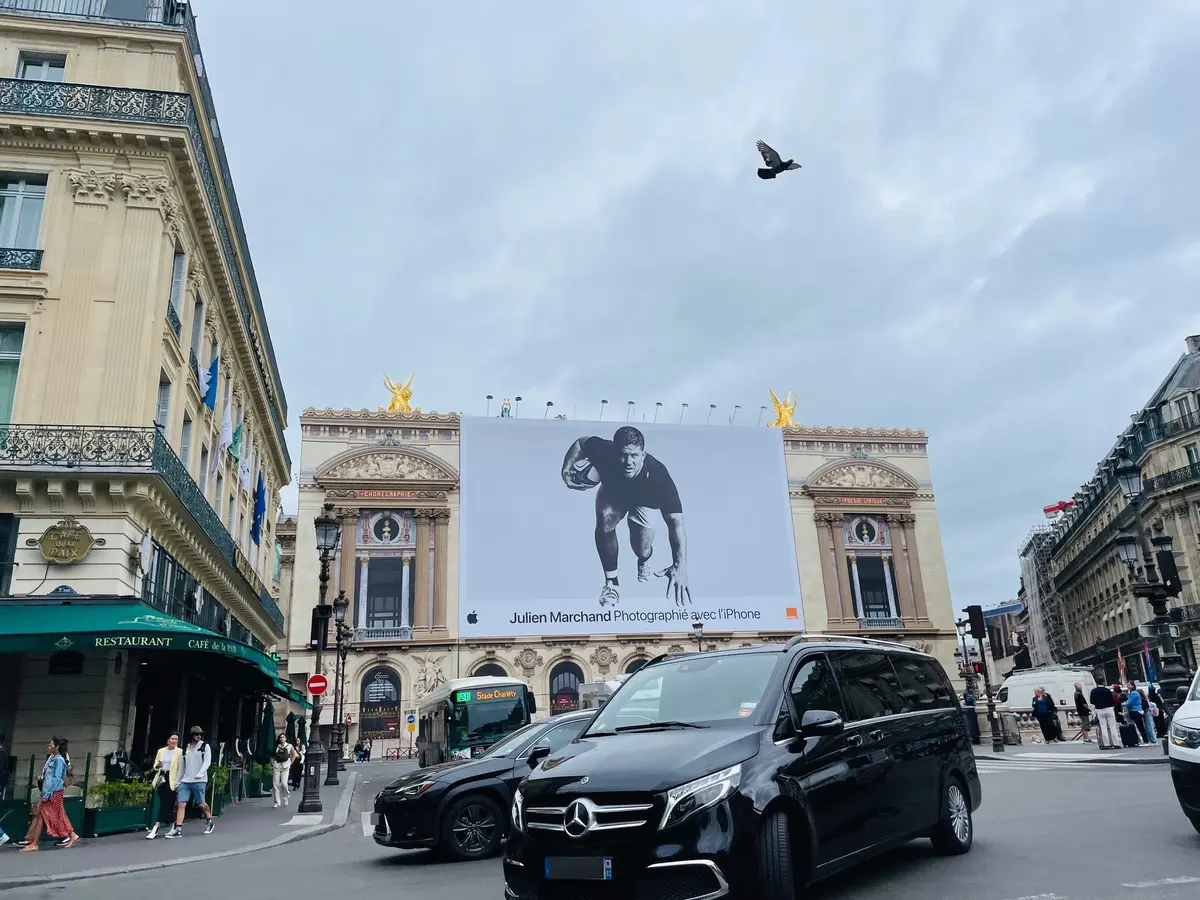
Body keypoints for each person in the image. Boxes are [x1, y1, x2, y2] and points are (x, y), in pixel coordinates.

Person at [561, 426, 690, 607]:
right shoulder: (604, 451)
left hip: (646, 500)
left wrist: (680, 564)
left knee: (641, 547)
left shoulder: (658, 476)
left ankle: (644, 559)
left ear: (643, 455)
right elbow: (581, 442)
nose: (628, 462)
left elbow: (676, 523)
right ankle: (612, 584)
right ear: (614, 452)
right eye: (623, 455)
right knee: (605, 517)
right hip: (615, 493)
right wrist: (566, 470)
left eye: (634, 456)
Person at [19, 737, 80, 851]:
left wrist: (47, 795)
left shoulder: (59, 760)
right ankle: (35, 843)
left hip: (53, 792)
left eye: (51, 744)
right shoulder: (52, 758)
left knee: (55, 815)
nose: (49, 746)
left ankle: (35, 843)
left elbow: (57, 779)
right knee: (45, 815)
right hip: (49, 791)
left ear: (57, 747)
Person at [166, 726, 215, 837]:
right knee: (181, 804)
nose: (198, 736)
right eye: (196, 734)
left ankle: (209, 820)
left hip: (199, 780)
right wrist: (178, 782)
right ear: (192, 735)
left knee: (201, 803)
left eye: (200, 734)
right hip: (186, 780)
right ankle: (178, 828)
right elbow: (182, 767)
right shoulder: (186, 748)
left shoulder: (204, 746)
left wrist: (200, 773)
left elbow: (207, 762)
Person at [147, 734, 182, 839]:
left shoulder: (179, 752)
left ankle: (156, 827)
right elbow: (155, 765)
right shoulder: (161, 751)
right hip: (162, 777)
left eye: (176, 739)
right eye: (172, 739)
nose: (174, 741)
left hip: (172, 778)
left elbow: (180, 768)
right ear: (168, 740)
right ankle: (174, 824)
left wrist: (178, 782)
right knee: (164, 803)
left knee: (167, 803)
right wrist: (158, 766)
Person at [1089, 681, 1120, 749]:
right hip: (1109, 708)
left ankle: (1106, 744)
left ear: (1097, 683)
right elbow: (1112, 700)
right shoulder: (1107, 690)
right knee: (1112, 727)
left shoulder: (1093, 691)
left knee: (1103, 728)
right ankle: (1116, 743)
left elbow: (1092, 701)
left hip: (1099, 710)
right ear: (1103, 683)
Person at [271, 734, 297, 808]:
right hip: (277, 765)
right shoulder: (277, 746)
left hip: (285, 766)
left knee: (284, 784)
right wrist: (273, 763)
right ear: (279, 739)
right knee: (275, 784)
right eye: (280, 737)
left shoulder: (289, 746)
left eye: (283, 737)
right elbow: (273, 755)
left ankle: (286, 796)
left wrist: (290, 763)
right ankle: (277, 802)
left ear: (286, 738)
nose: (282, 738)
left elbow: (294, 755)